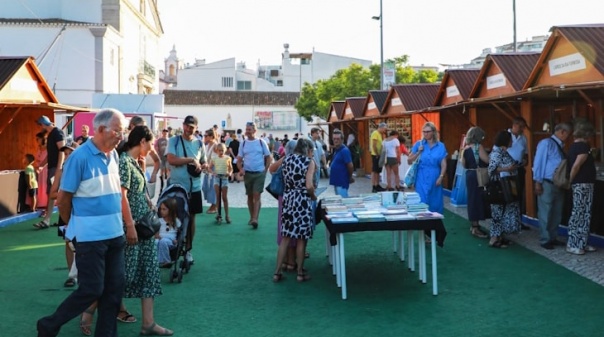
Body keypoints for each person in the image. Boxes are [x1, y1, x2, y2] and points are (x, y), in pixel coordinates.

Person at [36, 108, 127, 337]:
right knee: (92, 289)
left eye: (122, 131)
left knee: (114, 291)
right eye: (117, 131)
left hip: (115, 234)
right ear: (100, 129)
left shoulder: (114, 155)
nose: (121, 136)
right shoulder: (80, 157)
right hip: (90, 237)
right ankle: (48, 325)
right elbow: (63, 199)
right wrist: (73, 226)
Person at [117, 124, 173, 336]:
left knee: (149, 271)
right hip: (133, 229)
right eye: (150, 143)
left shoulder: (133, 162)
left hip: (143, 229)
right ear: (142, 141)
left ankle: (148, 322)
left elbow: (137, 193)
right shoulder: (124, 162)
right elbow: (122, 196)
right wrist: (130, 226)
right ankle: (90, 311)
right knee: (123, 275)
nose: (151, 148)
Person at [273, 138, 317, 283]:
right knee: (301, 238)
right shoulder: (309, 162)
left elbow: (275, 171)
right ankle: (299, 273)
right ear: (308, 150)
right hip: (302, 200)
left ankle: (277, 272)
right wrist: (313, 196)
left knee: (285, 236)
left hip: (288, 199)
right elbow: (309, 185)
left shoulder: (286, 159)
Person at [166, 115, 206, 263]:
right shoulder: (174, 141)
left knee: (192, 218)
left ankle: (188, 249)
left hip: (194, 187)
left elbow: (204, 162)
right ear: (183, 125)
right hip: (177, 186)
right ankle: (173, 246)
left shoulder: (200, 143)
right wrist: (190, 160)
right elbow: (171, 159)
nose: (189, 129)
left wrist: (203, 166)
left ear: (196, 128)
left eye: (192, 127)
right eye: (187, 126)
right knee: (175, 216)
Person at [533, 122, 573, 250]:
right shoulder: (546, 143)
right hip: (547, 182)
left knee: (556, 212)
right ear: (562, 132)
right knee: (546, 212)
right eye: (568, 134)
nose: (568, 137)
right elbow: (538, 162)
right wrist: (537, 181)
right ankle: (545, 239)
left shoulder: (560, 146)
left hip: (558, 183)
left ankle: (552, 237)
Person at [566, 121, 597, 255]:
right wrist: (570, 181)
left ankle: (581, 242)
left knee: (582, 213)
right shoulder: (583, 147)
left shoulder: (574, 146)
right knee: (580, 213)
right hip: (582, 184)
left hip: (582, 184)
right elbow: (576, 166)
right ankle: (574, 243)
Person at [269, 139, 298, 273]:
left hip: (283, 196)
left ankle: (285, 261)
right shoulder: (300, 161)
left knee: (283, 228)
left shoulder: (284, 160)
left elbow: (271, 169)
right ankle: (292, 261)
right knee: (293, 229)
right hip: (295, 198)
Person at [487, 131, 521, 248]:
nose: (512, 142)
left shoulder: (503, 152)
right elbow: (491, 169)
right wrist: (508, 168)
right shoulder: (496, 153)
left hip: (506, 186)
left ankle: (500, 236)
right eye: (510, 140)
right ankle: (494, 238)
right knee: (497, 212)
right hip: (499, 187)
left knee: (503, 211)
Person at [236, 122, 271, 229]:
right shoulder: (243, 143)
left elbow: (269, 157)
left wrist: (265, 170)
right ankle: (252, 217)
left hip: (259, 173)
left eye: (249, 129)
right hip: (248, 173)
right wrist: (241, 169)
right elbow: (239, 159)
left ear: (255, 131)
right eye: (246, 129)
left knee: (257, 195)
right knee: (250, 196)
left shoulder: (261, 142)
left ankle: (255, 218)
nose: (247, 131)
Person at [408, 122, 448, 214]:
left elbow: (444, 164)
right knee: (422, 200)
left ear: (433, 132)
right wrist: (418, 152)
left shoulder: (440, 146)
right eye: (424, 132)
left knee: (435, 201)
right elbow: (409, 160)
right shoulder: (419, 144)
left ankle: (435, 223)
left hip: (435, 175)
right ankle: (423, 224)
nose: (425, 134)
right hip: (421, 175)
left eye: (428, 131)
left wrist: (441, 176)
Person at [34, 115, 66, 229]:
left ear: (43, 124)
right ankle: (57, 219)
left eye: (40, 125)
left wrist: (59, 168)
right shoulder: (52, 134)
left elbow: (62, 150)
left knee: (55, 193)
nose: (40, 127)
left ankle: (50, 219)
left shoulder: (57, 133)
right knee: (52, 193)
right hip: (53, 168)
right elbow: (51, 154)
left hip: (56, 169)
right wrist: (41, 165)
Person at [461, 127, 490, 239]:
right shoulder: (479, 147)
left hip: (469, 174)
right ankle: (476, 227)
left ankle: (474, 224)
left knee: (471, 199)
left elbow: (463, 164)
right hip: (478, 175)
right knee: (478, 199)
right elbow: (487, 161)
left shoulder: (465, 149)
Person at [507, 116, 530, 230]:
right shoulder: (505, 136)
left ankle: (518, 221)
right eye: (521, 127)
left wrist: (525, 160)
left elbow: (526, 154)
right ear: (515, 125)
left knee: (519, 196)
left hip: (519, 170)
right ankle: (508, 221)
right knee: (509, 195)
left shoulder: (523, 138)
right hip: (507, 171)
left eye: (523, 127)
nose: (522, 129)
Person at [209, 143, 233, 223]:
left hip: (224, 179)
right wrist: (213, 173)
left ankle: (227, 215)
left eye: (222, 150)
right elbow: (209, 168)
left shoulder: (228, 158)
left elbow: (231, 169)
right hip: (217, 179)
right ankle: (219, 214)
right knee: (218, 197)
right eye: (219, 151)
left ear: (225, 150)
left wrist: (229, 173)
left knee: (224, 197)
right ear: (216, 151)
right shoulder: (214, 158)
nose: (221, 152)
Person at [156, 198, 182, 267]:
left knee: (163, 241)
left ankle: (166, 261)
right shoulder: (159, 220)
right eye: (161, 209)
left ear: (171, 211)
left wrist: (178, 240)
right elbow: (156, 232)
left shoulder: (176, 221)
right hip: (160, 238)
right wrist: (156, 235)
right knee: (155, 242)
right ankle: (154, 260)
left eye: (164, 209)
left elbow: (180, 232)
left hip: (171, 241)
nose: (161, 211)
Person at [328, 130, 354, 197]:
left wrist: (350, 177)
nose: (335, 141)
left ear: (342, 140)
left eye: (338, 139)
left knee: (343, 201)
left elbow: (350, 165)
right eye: (334, 139)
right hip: (337, 182)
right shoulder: (337, 150)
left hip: (341, 182)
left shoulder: (344, 150)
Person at [203, 128, 219, 214]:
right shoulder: (206, 146)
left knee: (212, 188)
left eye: (206, 136)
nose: (204, 137)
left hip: (214, 169)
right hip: (207, 169)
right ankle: (213, 204)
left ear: (211, 136)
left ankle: (214, 206)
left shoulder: (216, 146)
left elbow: (218, 157)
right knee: (205, 187)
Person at [370, 122, 387, 192]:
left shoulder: (380, 134)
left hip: (379, 154)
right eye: (384, 129)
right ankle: (374, 185)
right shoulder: (375, 133)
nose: (384, 131)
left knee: (378, 171)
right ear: (381, 127)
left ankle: (377, 184)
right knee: (374, 171)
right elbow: (374, 145)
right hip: (375, 155)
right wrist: (377, 154)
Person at [34, 131, 49, 210]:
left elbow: (48, 159)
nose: (37, 140)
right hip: (38, 170)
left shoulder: (48, 148)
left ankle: (45, 202)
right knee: (39, 185)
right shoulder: (39, 148)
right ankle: (39, 202)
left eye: (38, 139)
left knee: (44, 185)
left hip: (45, 170)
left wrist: (41, 166)